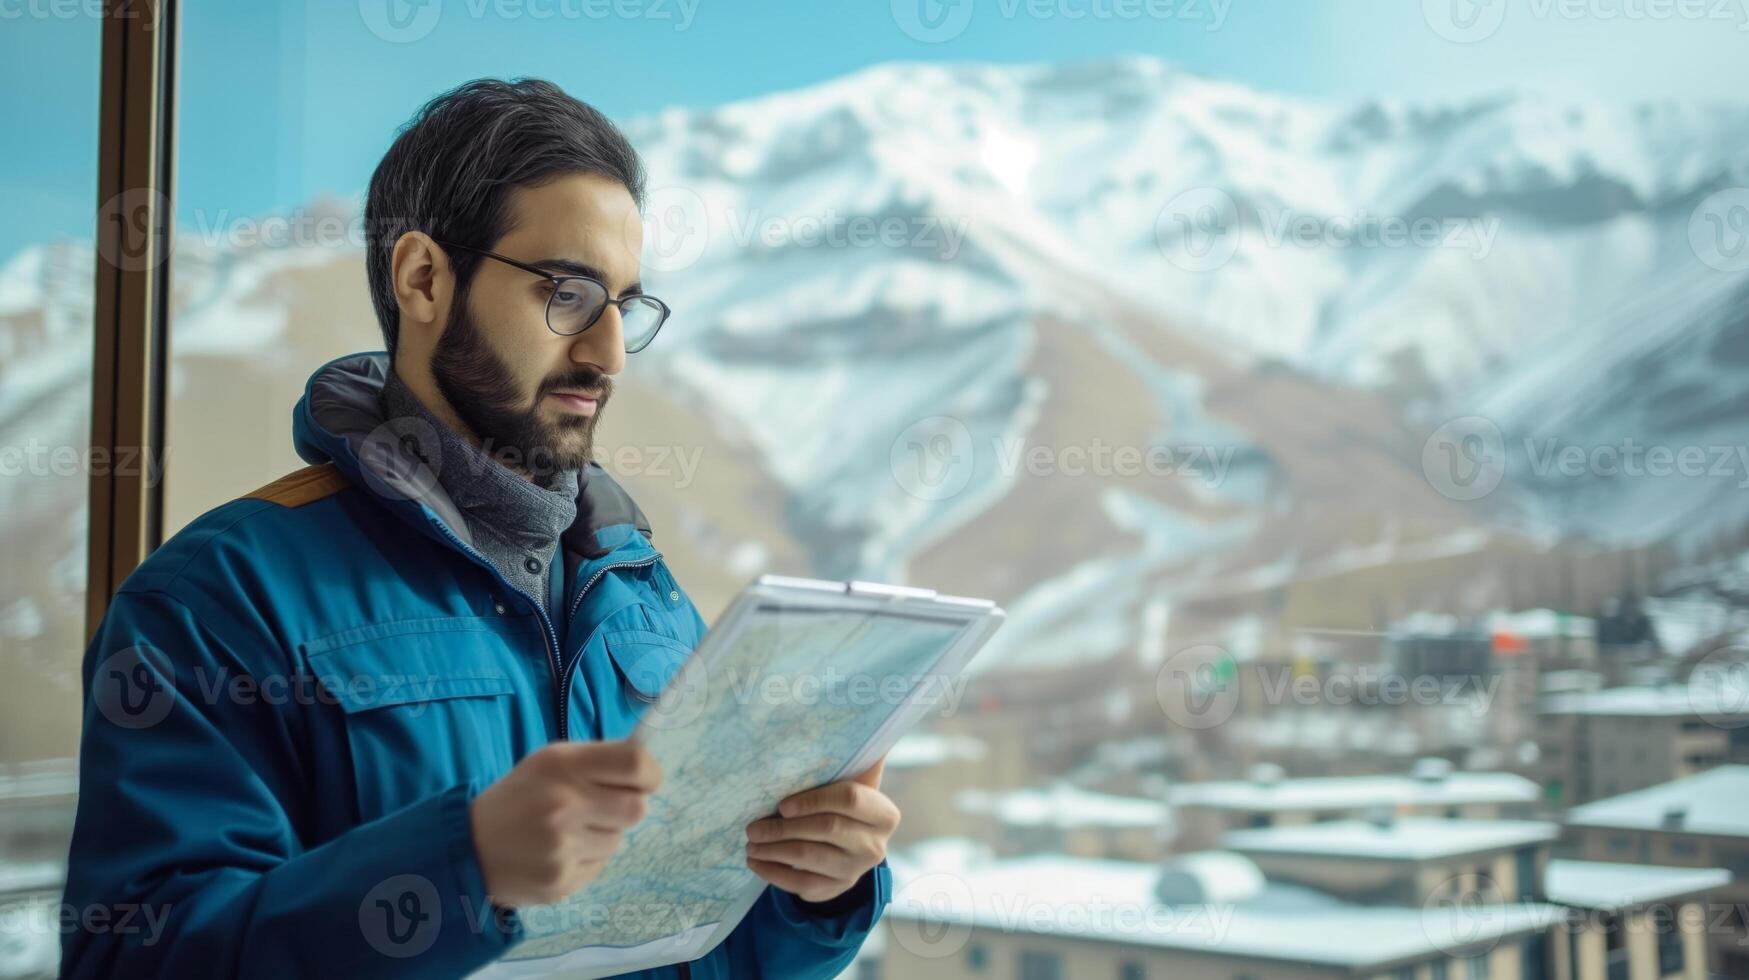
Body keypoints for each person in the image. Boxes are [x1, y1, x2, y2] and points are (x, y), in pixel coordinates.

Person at [61, 77, 895, 979]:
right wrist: (460, 871)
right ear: (423, 278)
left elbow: (703, 951)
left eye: (624, 305)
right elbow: (134, 960)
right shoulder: (214, 603)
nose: (607, 351)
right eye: (568, 292)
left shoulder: (641, 595)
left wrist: (810, 892)